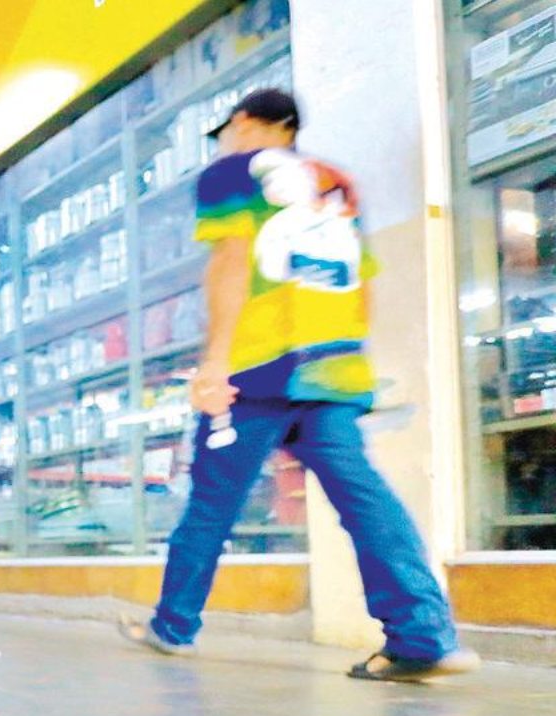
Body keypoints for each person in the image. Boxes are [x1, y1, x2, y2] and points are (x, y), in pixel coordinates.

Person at [121, 88, 478, 681]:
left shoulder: (233, 173)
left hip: (258, 369)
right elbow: (360, 281)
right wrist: (352, 358)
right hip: (334, 367)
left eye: (227, 132)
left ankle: (173, 626)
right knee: (365, 502)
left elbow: (231, 260)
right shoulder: (336, 182)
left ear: (243, 123)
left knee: (212, 503)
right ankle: (422, 636)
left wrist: (214, 363)